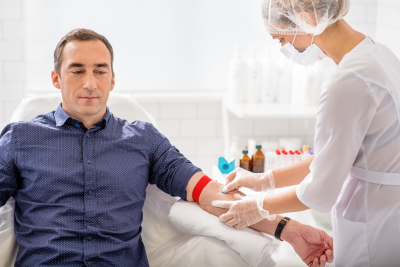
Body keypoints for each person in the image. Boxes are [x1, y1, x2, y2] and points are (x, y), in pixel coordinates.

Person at [0, 28, 333, 267]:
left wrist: (287, 228)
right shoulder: (20, 138)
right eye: (77, 70)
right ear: (56, 78)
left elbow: (211, 194)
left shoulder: (142, 139)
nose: (90, 82)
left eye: (100, 71)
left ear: (112, 80)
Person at [213, 0, 400, 266]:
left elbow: (320, 192)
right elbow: (334, 157)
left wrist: (257, 207)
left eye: (280, 39)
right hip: (387, 214)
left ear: (307, 20)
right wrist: (264, 180)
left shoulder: (348, 81)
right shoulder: (378, 53)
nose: (284, 49)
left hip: (375, 226)